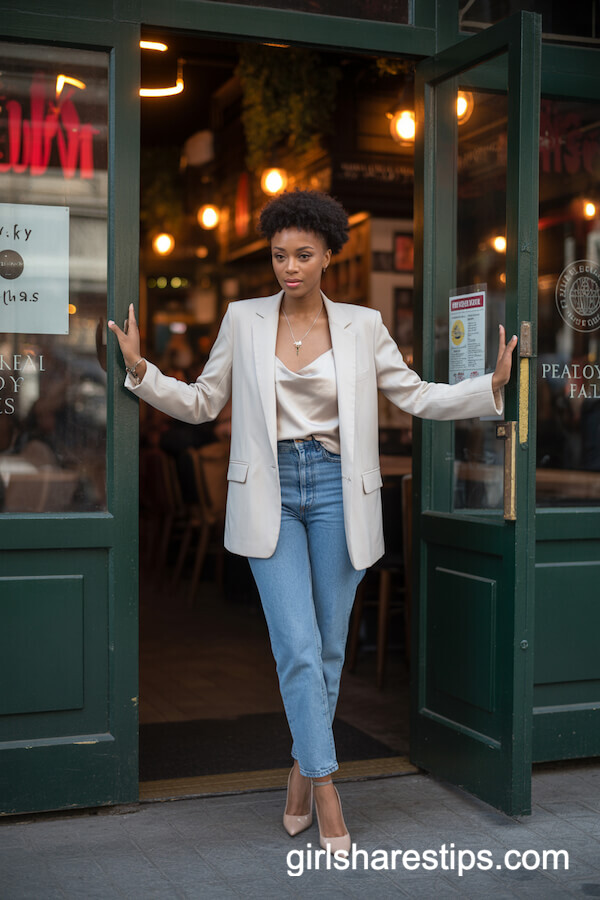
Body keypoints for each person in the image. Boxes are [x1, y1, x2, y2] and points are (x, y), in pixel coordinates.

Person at [109, 189, 517, 854]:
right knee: (297, 645)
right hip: (269, 490)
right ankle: (327, 786)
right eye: (278, 255)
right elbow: (203, 401)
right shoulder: (243, 319)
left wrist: (489, 389)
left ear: (329, 253)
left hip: (337, 489)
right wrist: (141, 371)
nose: (289, 267)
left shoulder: (362, 323)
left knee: (330, 648)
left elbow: (413, 393)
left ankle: (298, 774)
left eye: (302, 254)